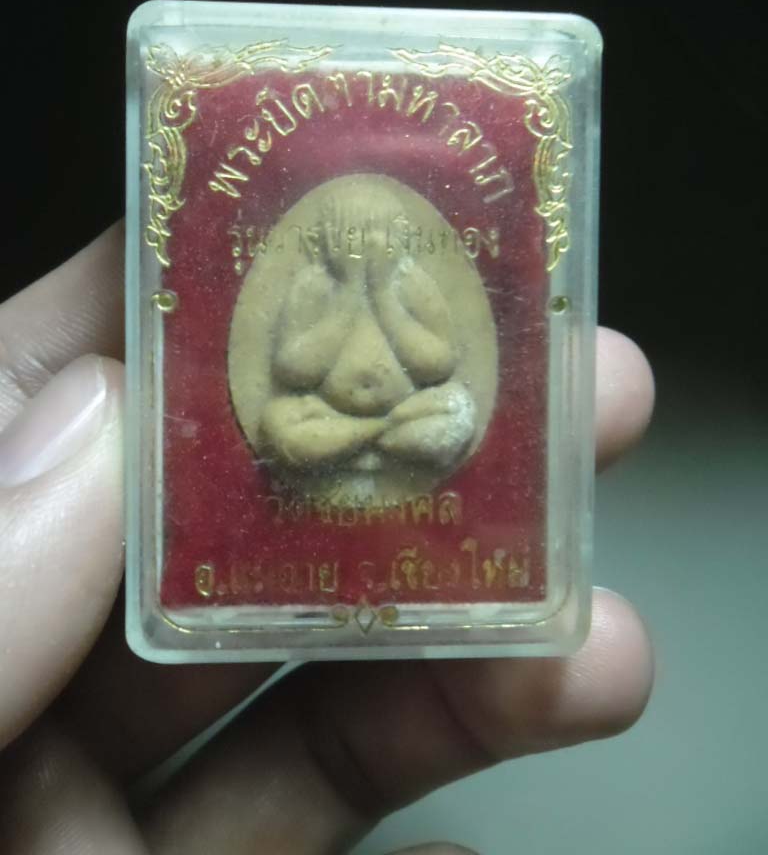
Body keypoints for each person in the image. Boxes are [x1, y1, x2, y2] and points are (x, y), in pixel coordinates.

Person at [0, 223, 655, 854]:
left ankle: (366, 442)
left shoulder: (412, 281)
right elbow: (293, 365)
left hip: (406, 415)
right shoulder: (315, 284)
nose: (364, 246)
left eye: (378, 240)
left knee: (451, 416)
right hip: (322, 420)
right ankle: (363, 441)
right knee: (283, 426)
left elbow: (436, 361)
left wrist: (388, 293)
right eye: (350, 238)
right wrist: (345, 295)